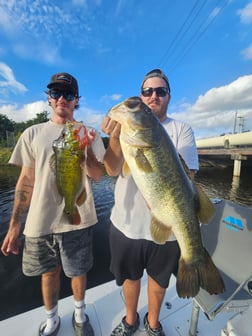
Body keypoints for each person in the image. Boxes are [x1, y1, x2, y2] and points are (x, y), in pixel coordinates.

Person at [1, 72, 105, 336]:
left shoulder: (89, 133)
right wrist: (15, 225)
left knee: (78, 272)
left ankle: (80, 315)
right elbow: (26, 181)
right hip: (40, 221)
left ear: (76, 100)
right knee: (48, 273)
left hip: (78, 217)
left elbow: (97, 175)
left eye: (68, 94)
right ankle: (52, 319)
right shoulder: (32, 133)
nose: (62, 99)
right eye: (56, 93)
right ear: (48, 98)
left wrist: (89, 151)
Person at [101, 69, 199, 336]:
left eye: (160, 91)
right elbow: (111, 170)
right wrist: (114, 139)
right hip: (126, 224)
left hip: (166, 226)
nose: (153, 96)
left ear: (169, 96)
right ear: (142, 97)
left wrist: (162, 196)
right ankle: (131, 320)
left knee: (159, 281)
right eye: (147, 91)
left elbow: (189, 176)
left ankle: (153, 323)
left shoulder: (181, 129)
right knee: (130, 279)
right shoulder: (125, 131)